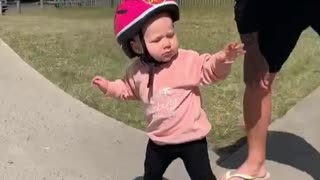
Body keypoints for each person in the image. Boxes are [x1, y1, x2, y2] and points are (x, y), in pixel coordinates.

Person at [91, 0, 245, 179]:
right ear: (136, 46)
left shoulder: (187, 60)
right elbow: (127, 89)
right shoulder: (137, 71)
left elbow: (209, 70)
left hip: (192, 139)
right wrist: (109, 87)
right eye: (157, 39)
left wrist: (222, 59)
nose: (167, 43)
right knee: (151, 174)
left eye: (170, 35)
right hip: (159, 141)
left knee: (202, 176)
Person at [222, 0, 320, 179]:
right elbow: (245, 6)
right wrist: (252, 50)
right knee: (256, 77)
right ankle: (255, 164)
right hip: (278, 6)